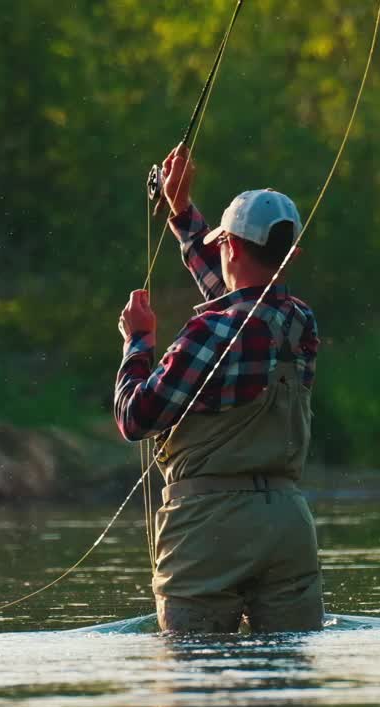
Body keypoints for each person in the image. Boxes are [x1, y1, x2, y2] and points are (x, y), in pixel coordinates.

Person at [113, 145, 324, 634]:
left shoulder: (211, 332)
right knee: (284, 689)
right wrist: (181, 212)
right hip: (288, 525)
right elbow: (238, 294)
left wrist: (137, 342)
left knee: (195, 691)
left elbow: (135, 417)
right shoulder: (299, 324)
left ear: (229, 245)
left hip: (208, 530)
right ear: (291, 254)